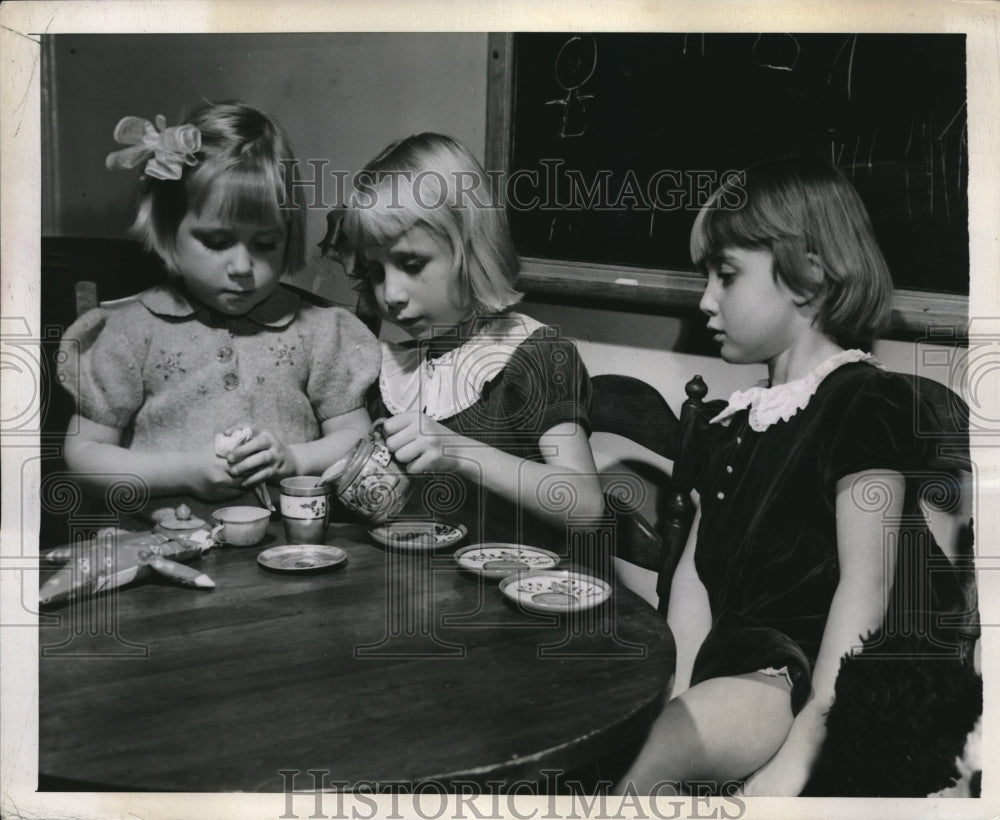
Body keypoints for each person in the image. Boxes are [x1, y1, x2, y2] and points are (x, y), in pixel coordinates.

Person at [616, 156, 979, 796]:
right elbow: (696, 580)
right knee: (624, 737)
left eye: (725, 276)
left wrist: (812, 734)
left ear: (808, 275)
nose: (704, 300)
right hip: (726, 675)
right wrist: (671, 695)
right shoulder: (728, 423)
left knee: (645, 760)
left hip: (794, 677)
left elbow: (865, 589)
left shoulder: (865, 403)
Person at [58, 101, 379, 521]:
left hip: (293, 551)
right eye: (216, 241)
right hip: (162, 550)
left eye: (265, 244)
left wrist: (294, 460)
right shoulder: (130, 332)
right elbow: (83, 455)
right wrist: (184, 473)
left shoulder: (318, 332)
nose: (243, 267)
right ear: (168, 231)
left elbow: (356, 436)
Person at [333, 132, 604, 547]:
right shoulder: (387, 368)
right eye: (376, 272)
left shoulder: (536, 356)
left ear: (472, 251)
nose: (390, 295)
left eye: (411, 263)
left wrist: (458, 450)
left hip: (509, 596)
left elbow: (585, 508)